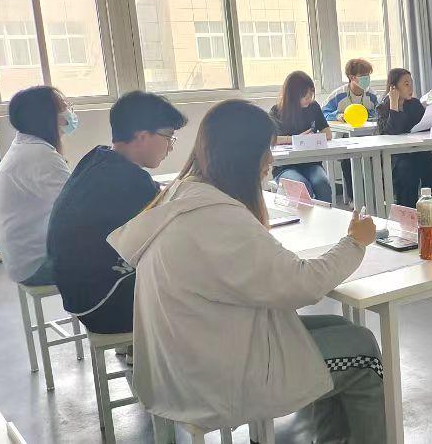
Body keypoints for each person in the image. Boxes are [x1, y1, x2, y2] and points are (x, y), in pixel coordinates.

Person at [107, 99, 386, 443]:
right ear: (243, 156)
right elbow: (302, 285)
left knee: (340, 327)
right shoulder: (217, 216)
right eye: (266, 150)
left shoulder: (183, 193)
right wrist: (355, 242)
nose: (270, 161)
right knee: (361, 350)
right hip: (215, 376)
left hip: (186, 355)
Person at [47, 91, 186, 334]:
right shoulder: (130, 182)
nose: (171, 147)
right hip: (106, 306)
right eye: (169, 137)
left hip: (80, 296)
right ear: (142, 136)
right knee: (200, 280)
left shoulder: (98, 159)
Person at [0, 86, 73, 285]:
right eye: (63, 107)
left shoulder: (26, 147)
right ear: (45, 117)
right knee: (123, 259)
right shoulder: (40, 155)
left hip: (21, 259)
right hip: (37, 265)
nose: (69, 112)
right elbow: (77, 206)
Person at [377, 68, 432, 226]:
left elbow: (421, 125)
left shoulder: (414, 104)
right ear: (394, 87)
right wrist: (394, 104)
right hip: (397, 157)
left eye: (411, 83)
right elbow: (392, 131)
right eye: (406, 84)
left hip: (418, 153)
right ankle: (407, 219)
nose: (411, 88)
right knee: (407, 173)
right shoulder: (383, 107)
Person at [270, 71, 333, 202]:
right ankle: (306, 216)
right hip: (285, 167)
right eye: (306, 96)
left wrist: (313, 138)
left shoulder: (313, 107)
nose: (309, 99)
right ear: (293, 95)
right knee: (302, 186)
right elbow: (272, 139)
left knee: (323, 185)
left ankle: (324, 215)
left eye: (311, 95)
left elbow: (328, 133)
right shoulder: (277, 111)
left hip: (311, 163)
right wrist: (296, 139)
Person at [323, 58, 379, 122]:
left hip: (366, 128)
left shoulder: (373, 96)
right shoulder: (338, 95)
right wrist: (336, 116)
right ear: (351, 77)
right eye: (363, 75)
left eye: (368, 75)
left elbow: (380, 115)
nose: (367, 78)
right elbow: (323, 114)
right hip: (343, 128)